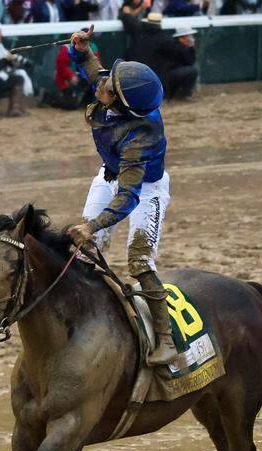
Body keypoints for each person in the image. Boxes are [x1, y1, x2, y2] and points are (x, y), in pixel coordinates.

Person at [63, 26, 180, 366]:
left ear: (121, 102)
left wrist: (93, 224)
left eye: (110, 88)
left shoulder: (142, 136)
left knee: (139, 261)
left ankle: (165, 338)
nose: (102, 86)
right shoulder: (119, 92)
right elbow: (95, 71)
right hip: (110, 175)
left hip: (145, 188)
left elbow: (129, 197)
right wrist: (82, 50)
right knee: (85, 251)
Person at [156, 26, 199, 100]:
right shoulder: (177, 47)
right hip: (166, 75)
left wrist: (190, 48)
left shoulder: (180, 46)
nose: (192, 38)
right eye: (189, 36)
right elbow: (190, 61)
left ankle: (181, 94)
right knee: (193, 70)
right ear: (182, 38)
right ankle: (182, 95)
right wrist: (190, 48)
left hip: (170, 74)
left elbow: (190, 61)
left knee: (191, 69)